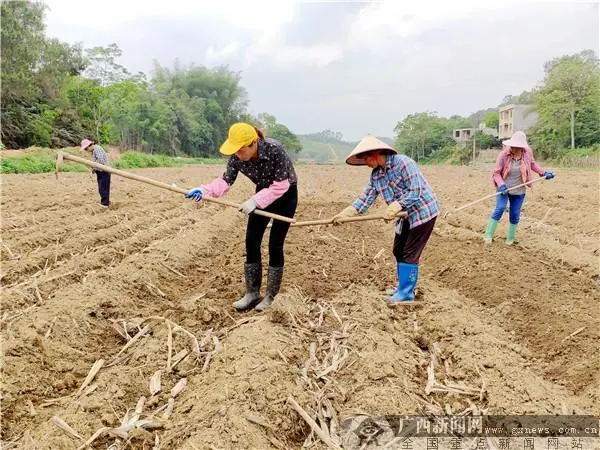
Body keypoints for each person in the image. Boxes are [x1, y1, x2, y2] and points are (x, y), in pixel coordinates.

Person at [185, 122, 298, 312]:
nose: (237, 154)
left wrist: (255, 201)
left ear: (253, 143)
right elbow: (225, 181)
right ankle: (252, 293)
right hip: (262, 194)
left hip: (285, 196)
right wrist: (204, 190)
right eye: (235, 151)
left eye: (240, 150)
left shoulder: (274, 149)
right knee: (251, 241)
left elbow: (281, 185)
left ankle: (270, 296)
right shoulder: (236, 156)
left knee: (275, 245)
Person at [332, 136, 439, 303]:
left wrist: (396, 206)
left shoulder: (404, 163)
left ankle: (406, 294)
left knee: (410, 253)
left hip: (423, 213)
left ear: (375, 153)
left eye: (366, 158)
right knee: (398, 250)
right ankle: (402, 286)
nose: (366, 163)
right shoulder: (376, 176)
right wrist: (348, 213)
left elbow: (415, 191)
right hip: (403, 217)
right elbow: (366, 198)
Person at [484, 131, 554, 245]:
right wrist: (501, 185)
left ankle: (510, 240)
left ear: (522, 147)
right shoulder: (503, 155)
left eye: (517, 146)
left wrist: (543, 173)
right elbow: (496, 173)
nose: (514, 148)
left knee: (515, 214)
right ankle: (487, 236)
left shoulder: (527, 153)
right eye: (513, 146)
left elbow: (532, 164)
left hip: (519, 189)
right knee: (500, 208)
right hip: (504, 188)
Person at [80, 139, 111, 208]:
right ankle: (105, 202)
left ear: (89, 146)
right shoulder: (94, 151)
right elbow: (96, 162)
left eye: (85, 149)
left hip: (104, 171)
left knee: (104, 188)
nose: (86, 150)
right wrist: (94, 169)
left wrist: (93, 165)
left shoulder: (97, 149)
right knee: (101, 188)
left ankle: (105, 204)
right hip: (100, 171)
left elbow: (100, 160)